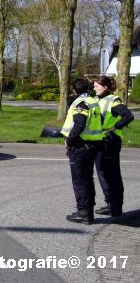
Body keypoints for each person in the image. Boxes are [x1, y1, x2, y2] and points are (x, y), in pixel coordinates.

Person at [61, 78, 103, 224]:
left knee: (80, 181)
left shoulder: (81, 104)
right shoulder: (93, 101)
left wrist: (69, 140)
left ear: (74, 91)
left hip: (80, 146)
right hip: (92, 145)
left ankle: (83, 212)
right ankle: (88, 211)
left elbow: (79, 124)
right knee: (87, 179)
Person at [93, 76, 134, 218]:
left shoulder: (113, 101)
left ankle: (114, 206)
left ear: (105, 87)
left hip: (109, 142)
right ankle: (112, 205)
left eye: (96, 86)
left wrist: (114, 128)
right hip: (102, 141)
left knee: (110, 174)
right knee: (105, 174)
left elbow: (128, 116)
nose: (94, 88)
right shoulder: (99, 99)